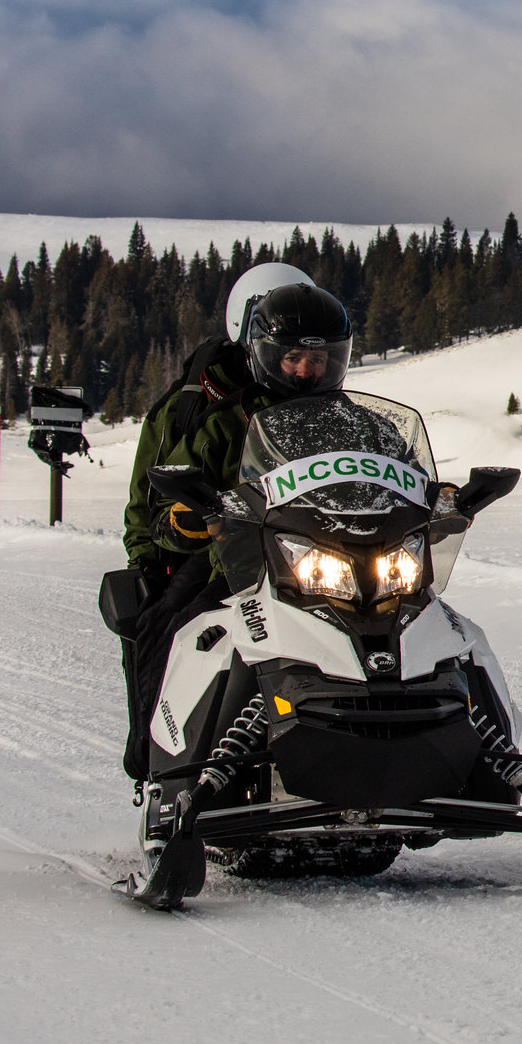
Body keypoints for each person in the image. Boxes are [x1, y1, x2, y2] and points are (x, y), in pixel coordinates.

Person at [118, 269, 354, 778]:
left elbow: (392, 469)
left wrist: (436, 500)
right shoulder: (225, 419)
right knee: (175, 624)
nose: (307, 372)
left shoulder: (353, 420)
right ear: (266, 353)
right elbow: (158, 505)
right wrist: (185, 521)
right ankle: (164, 766)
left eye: (319, 359)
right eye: (294, 358)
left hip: (341, 558)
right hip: (234, 561)